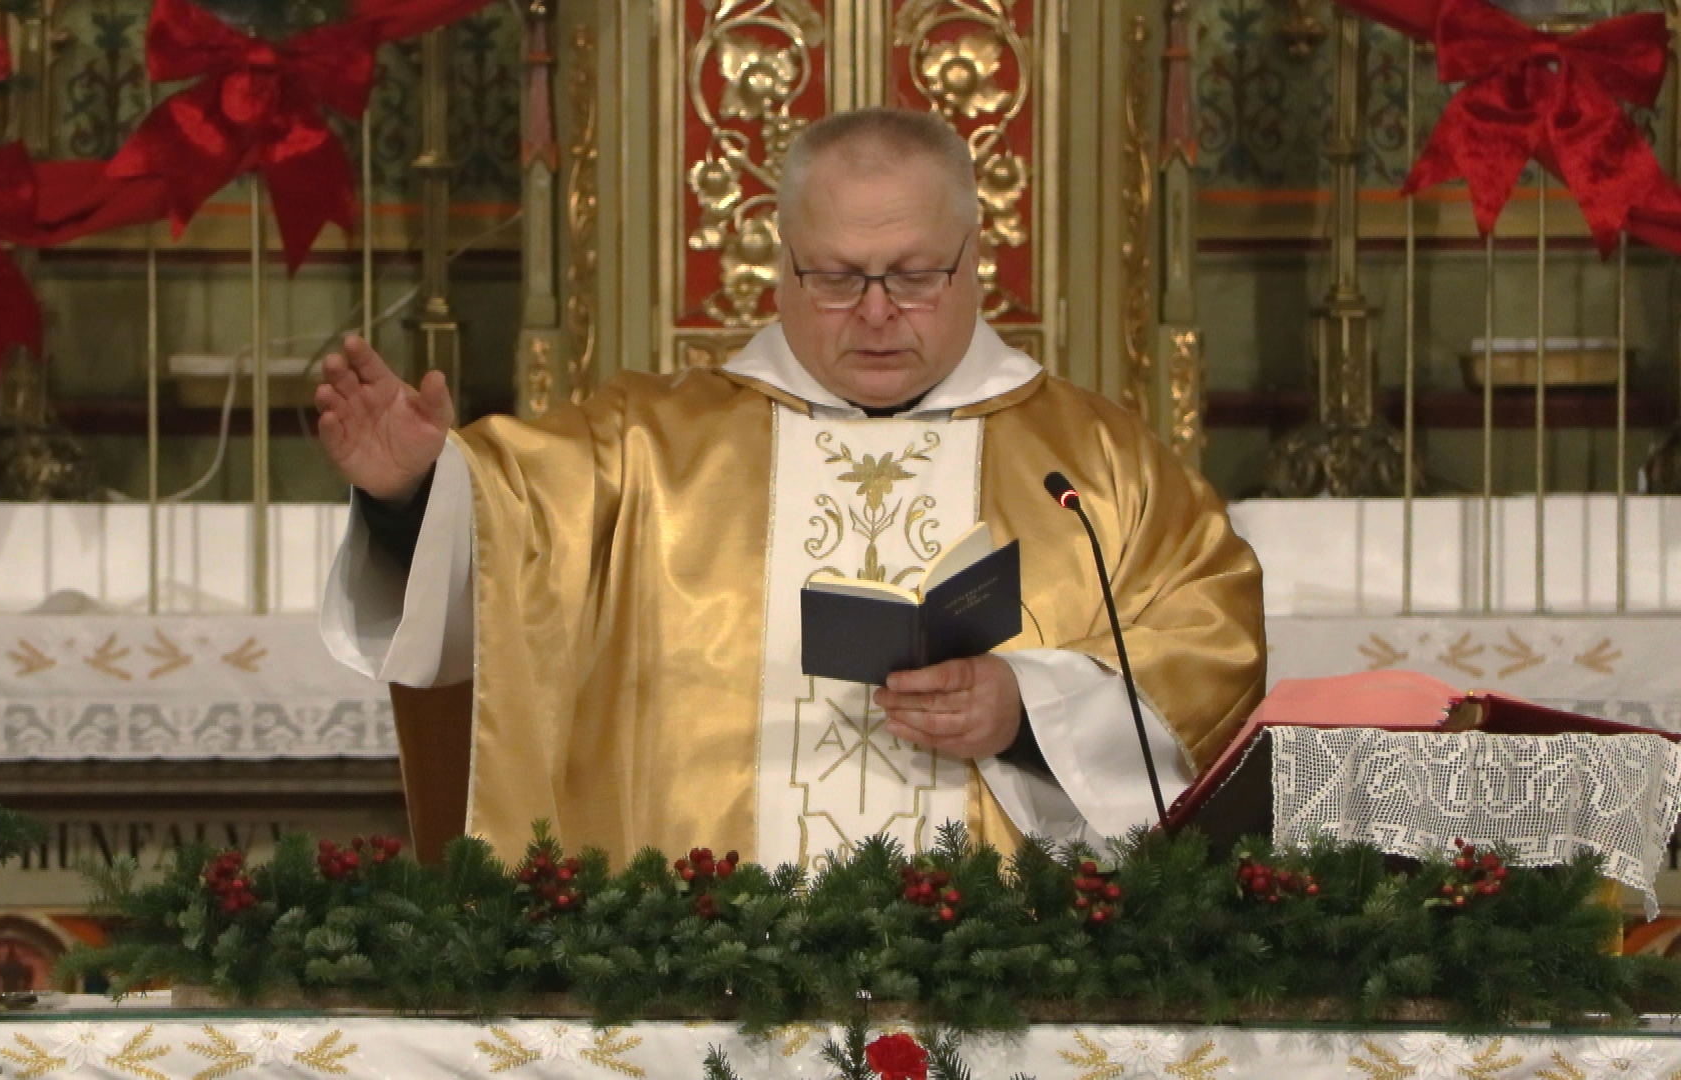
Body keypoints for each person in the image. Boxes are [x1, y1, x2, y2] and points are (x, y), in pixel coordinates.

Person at [317, 107, 1264, 869]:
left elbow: (1207, 640)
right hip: (701, 971)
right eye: (838, 278)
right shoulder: (642, 449)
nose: (878, 313)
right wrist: (410, 496)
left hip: (1002, 977)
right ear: (781, 265)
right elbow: (497, 560)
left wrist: (1030, 710)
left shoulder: (1096, 461)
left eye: (915, 275)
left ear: (975, 257)